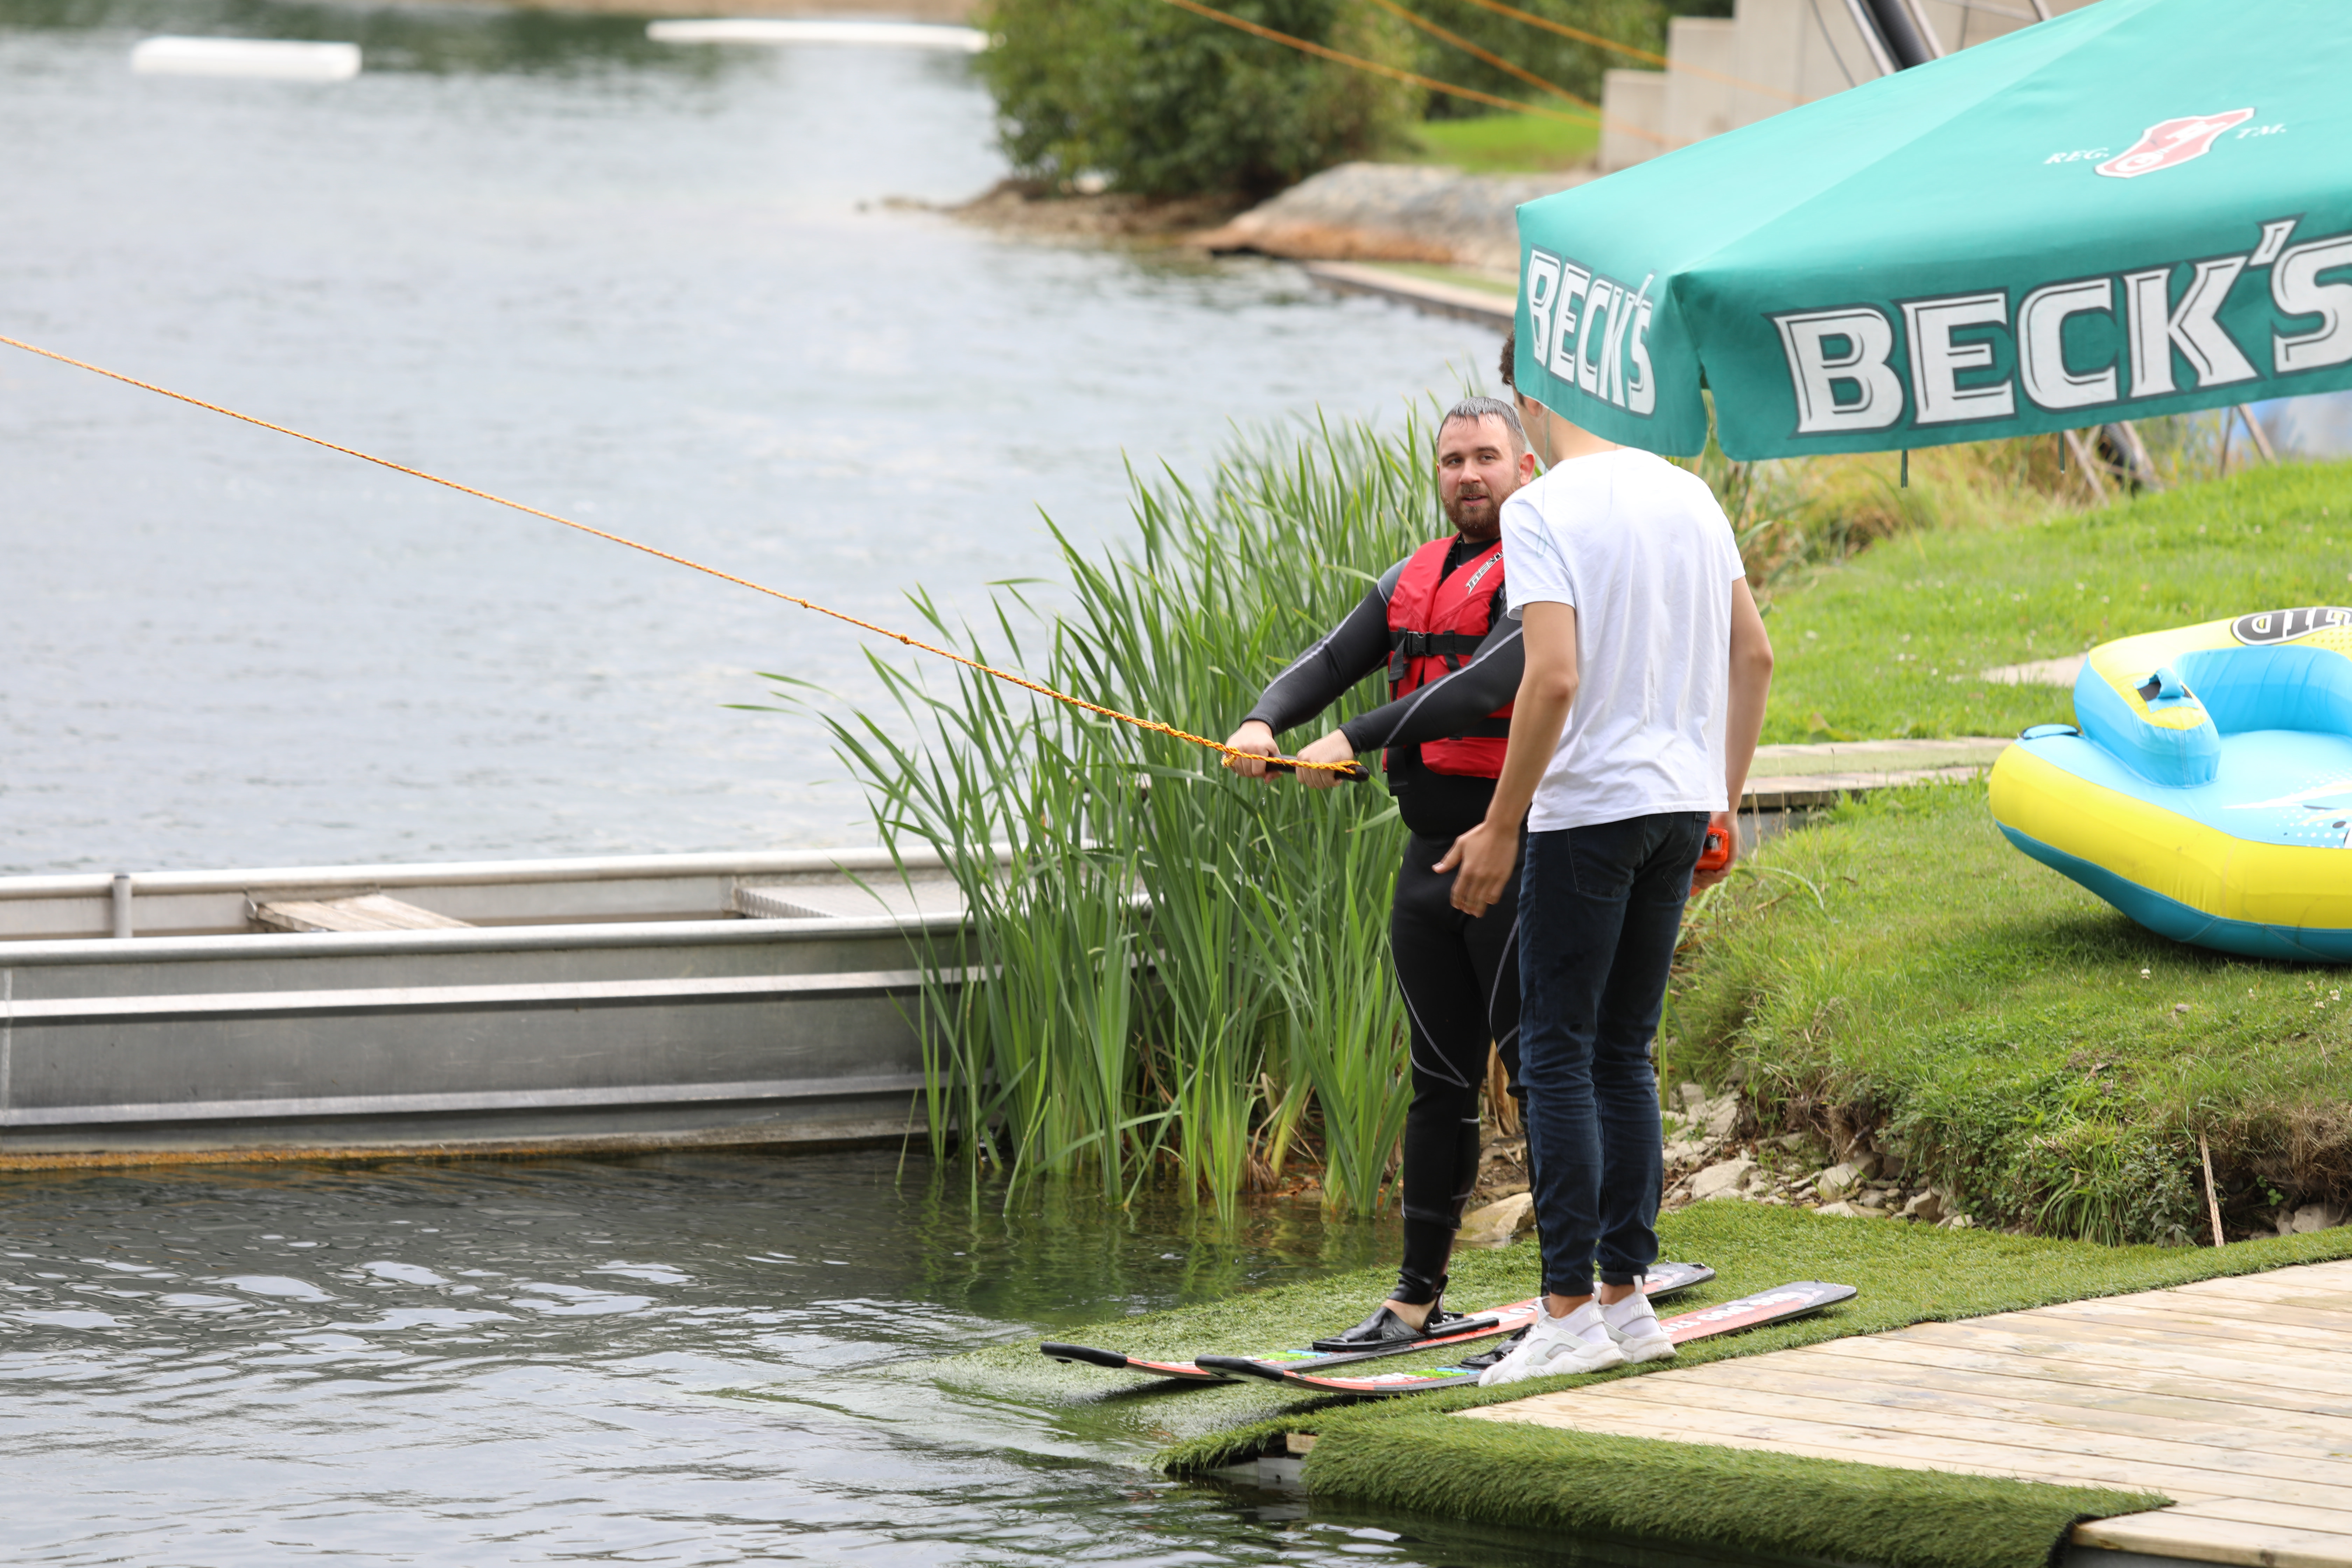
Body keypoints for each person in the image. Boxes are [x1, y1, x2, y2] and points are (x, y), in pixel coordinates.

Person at [1441, 378, 1774, 1386]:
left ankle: (1568, 1316)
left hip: (1588, 809)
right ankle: (1628, 1302)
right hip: (1679, 808)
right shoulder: (1690, 493)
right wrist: (1721, 802)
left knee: (1555, 1053)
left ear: (1529, 393)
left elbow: (1552, 678)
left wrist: (1502, 824)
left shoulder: (1543, 506)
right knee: (1624, 1053)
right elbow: (1755, 656)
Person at [1222, 392, 1536, 1349]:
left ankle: (1592, 1286)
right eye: (1452, 460)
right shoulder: (1415, 575)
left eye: (1486, 457)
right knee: (1438, 1083)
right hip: (1426, 862)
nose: (1468, 475)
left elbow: (1483, 685)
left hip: (1514, 852)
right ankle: (1415, 1300)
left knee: (1543, 1076)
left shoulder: (1542, 570)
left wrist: (1351, 738)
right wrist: (1264, 722)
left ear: (1524, 466)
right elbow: (1330, 660)